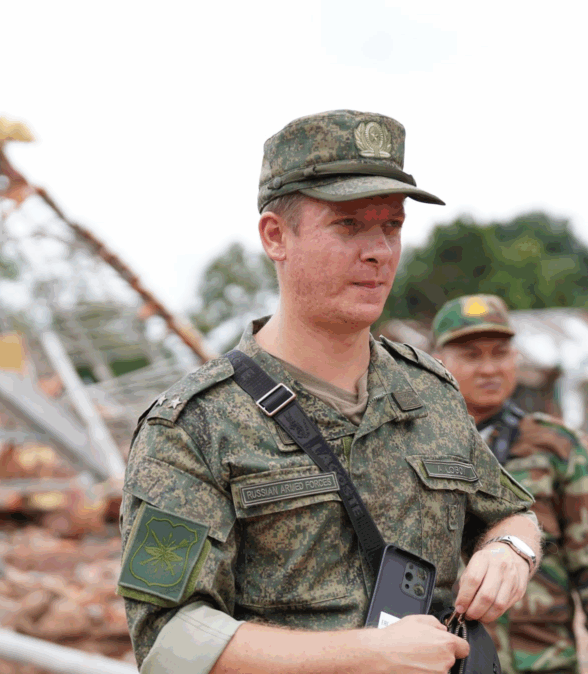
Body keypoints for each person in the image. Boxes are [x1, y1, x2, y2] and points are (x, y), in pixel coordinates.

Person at [118, 110, 543, 674]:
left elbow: (511, 513)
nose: (379, 251)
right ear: (276, 236)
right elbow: (169, 640)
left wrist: (511, 551)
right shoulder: (195, 425)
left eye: (392, 226)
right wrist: (366, 656)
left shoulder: (430, 393)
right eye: (347, 225)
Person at [432, 294, 588, 674]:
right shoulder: (415, 447)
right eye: (472, 356)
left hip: (543, 659)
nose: (489, 368)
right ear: (438, 360)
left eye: (500, 353)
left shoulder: (555, 445)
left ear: (516, 358)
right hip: (445, 658)